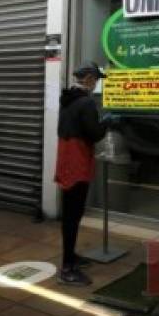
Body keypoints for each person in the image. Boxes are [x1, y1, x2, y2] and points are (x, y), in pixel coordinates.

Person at [56, 61, 107, 286]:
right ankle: (67, 268)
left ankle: (72, 256)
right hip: (77, 163)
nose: (96, 84)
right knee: (72, 215)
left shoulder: (68, 98)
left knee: (71, 213)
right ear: (87, 79)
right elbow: (94, 134)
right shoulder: (85, 102)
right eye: (95, 79)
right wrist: (106, 123)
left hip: (66, 160)